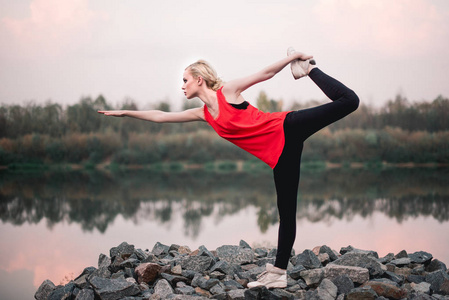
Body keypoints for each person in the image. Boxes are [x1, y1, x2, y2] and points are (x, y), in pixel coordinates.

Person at [98, 48, 359, 289]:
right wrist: (124, 113)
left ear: (200, 79)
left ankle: (309, 70)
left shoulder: (228, 92)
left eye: (185, 80)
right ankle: (278, 274)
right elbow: (161, 116)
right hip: (279, 156)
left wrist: (293, 59)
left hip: (286, 127)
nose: (182, 86)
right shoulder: (203, 114)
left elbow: (265, 74)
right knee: (286, 212)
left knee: (350, 101)